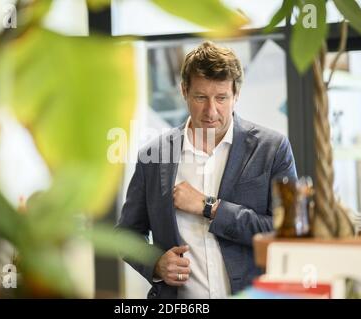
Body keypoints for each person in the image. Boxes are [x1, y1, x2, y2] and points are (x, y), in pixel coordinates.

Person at [117, 41, 297, 299]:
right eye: (201, 97)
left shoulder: (273, 148)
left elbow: (286, 232)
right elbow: (126, 234)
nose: (211, 111)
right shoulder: (153, 156)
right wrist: (155, 263)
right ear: (184, 91)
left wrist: (209, 206)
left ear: (236, 94)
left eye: (221, 98)